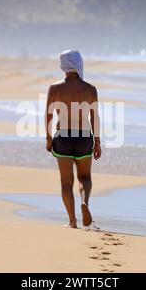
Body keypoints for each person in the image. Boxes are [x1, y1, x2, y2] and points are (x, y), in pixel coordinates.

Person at [45, 50, 102, 228]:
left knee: (66, 181)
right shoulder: (90, 89)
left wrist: (48, 138)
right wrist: (97, 142)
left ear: (64, 66)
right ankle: (84, 202)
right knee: (85, 177)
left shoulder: (55, 88)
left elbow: (48, 116)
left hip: (62, 137)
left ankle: (72, 221)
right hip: (84, 137)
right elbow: (95, 117)